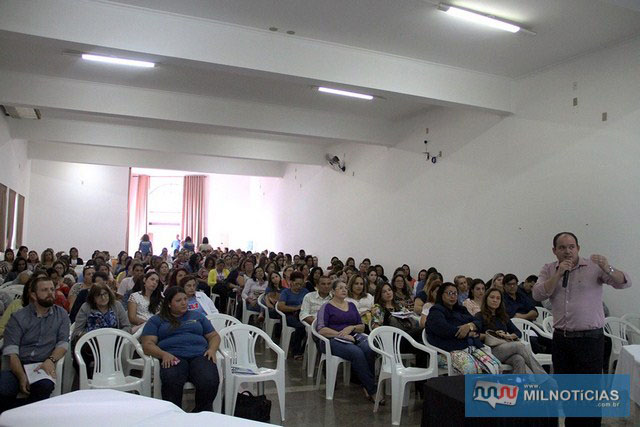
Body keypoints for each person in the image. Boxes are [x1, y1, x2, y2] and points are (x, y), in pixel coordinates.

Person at [532, 232, 632, 427]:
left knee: (590, 394)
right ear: (554, 251)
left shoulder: (594, 267)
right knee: (567, 392)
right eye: (562, 247)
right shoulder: (549, 269)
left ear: (578, 248)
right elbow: (537, 294)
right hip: (561, 340)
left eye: (571, 246)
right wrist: (558, 274)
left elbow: (624, 282)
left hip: (590, 340)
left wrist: (608, 267)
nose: (567, 251)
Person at [141, 286, 220, 412]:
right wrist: (163, 354)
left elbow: (214, 336)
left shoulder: (197, 316)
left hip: (200, 355)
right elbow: (147, 344)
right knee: (172, 382)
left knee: (209, 381)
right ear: (168, 304)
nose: (184, 303)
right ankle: (175, 416)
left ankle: (200, 414)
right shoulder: (157, 320)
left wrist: (212, 349)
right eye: (178, 300)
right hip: (173, 356)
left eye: (185, 299)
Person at [0, 276, 70, 412]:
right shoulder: (19, 317)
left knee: (44, 386)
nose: (50, 293)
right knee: (4, 388)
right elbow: (12, 352)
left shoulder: (61, 315)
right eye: (44, 290)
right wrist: (21, 376)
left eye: (52, 289)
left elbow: (62, 344)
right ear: (33, 294)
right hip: (18, 365)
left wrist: (50, 361)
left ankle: (28, 417)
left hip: (42, 365)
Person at [316, 280, 377, 402]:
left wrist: (352, 327)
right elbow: (321, 329)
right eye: (340, 288)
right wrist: (341, 335)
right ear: (333, 291)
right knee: (356, 353)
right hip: (331, 340)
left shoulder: (352, 305)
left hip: (353, 336)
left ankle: (366, 384)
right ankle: (373, 390)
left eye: (345, 288)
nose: (344, 290)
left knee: (370, 348)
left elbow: (361, 326)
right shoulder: (326, 307)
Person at [476, 288, 546, 374]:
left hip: (506, 347)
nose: (495, 300)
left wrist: (509, 336)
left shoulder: (503, 316)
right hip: (489, 351)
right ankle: (543, 376)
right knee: (519, 346)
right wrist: (493, 335)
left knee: (519, 359)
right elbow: (475, 335)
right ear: (486, 299)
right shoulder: (479, 316)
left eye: (498, 298)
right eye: (492, 297)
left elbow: (518, 333)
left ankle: (519, 386)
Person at [277, 272, 308, 359]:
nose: (299, 287)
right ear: (291, 282)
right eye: (296, 284)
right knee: (301, 327)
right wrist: (295, 308)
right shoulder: (285, 292)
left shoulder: (305, 292)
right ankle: (296, 351)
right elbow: (281, 307)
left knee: (311, 328)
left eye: (301, 284)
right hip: (288, 315)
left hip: (302, 314)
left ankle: (302, 350)